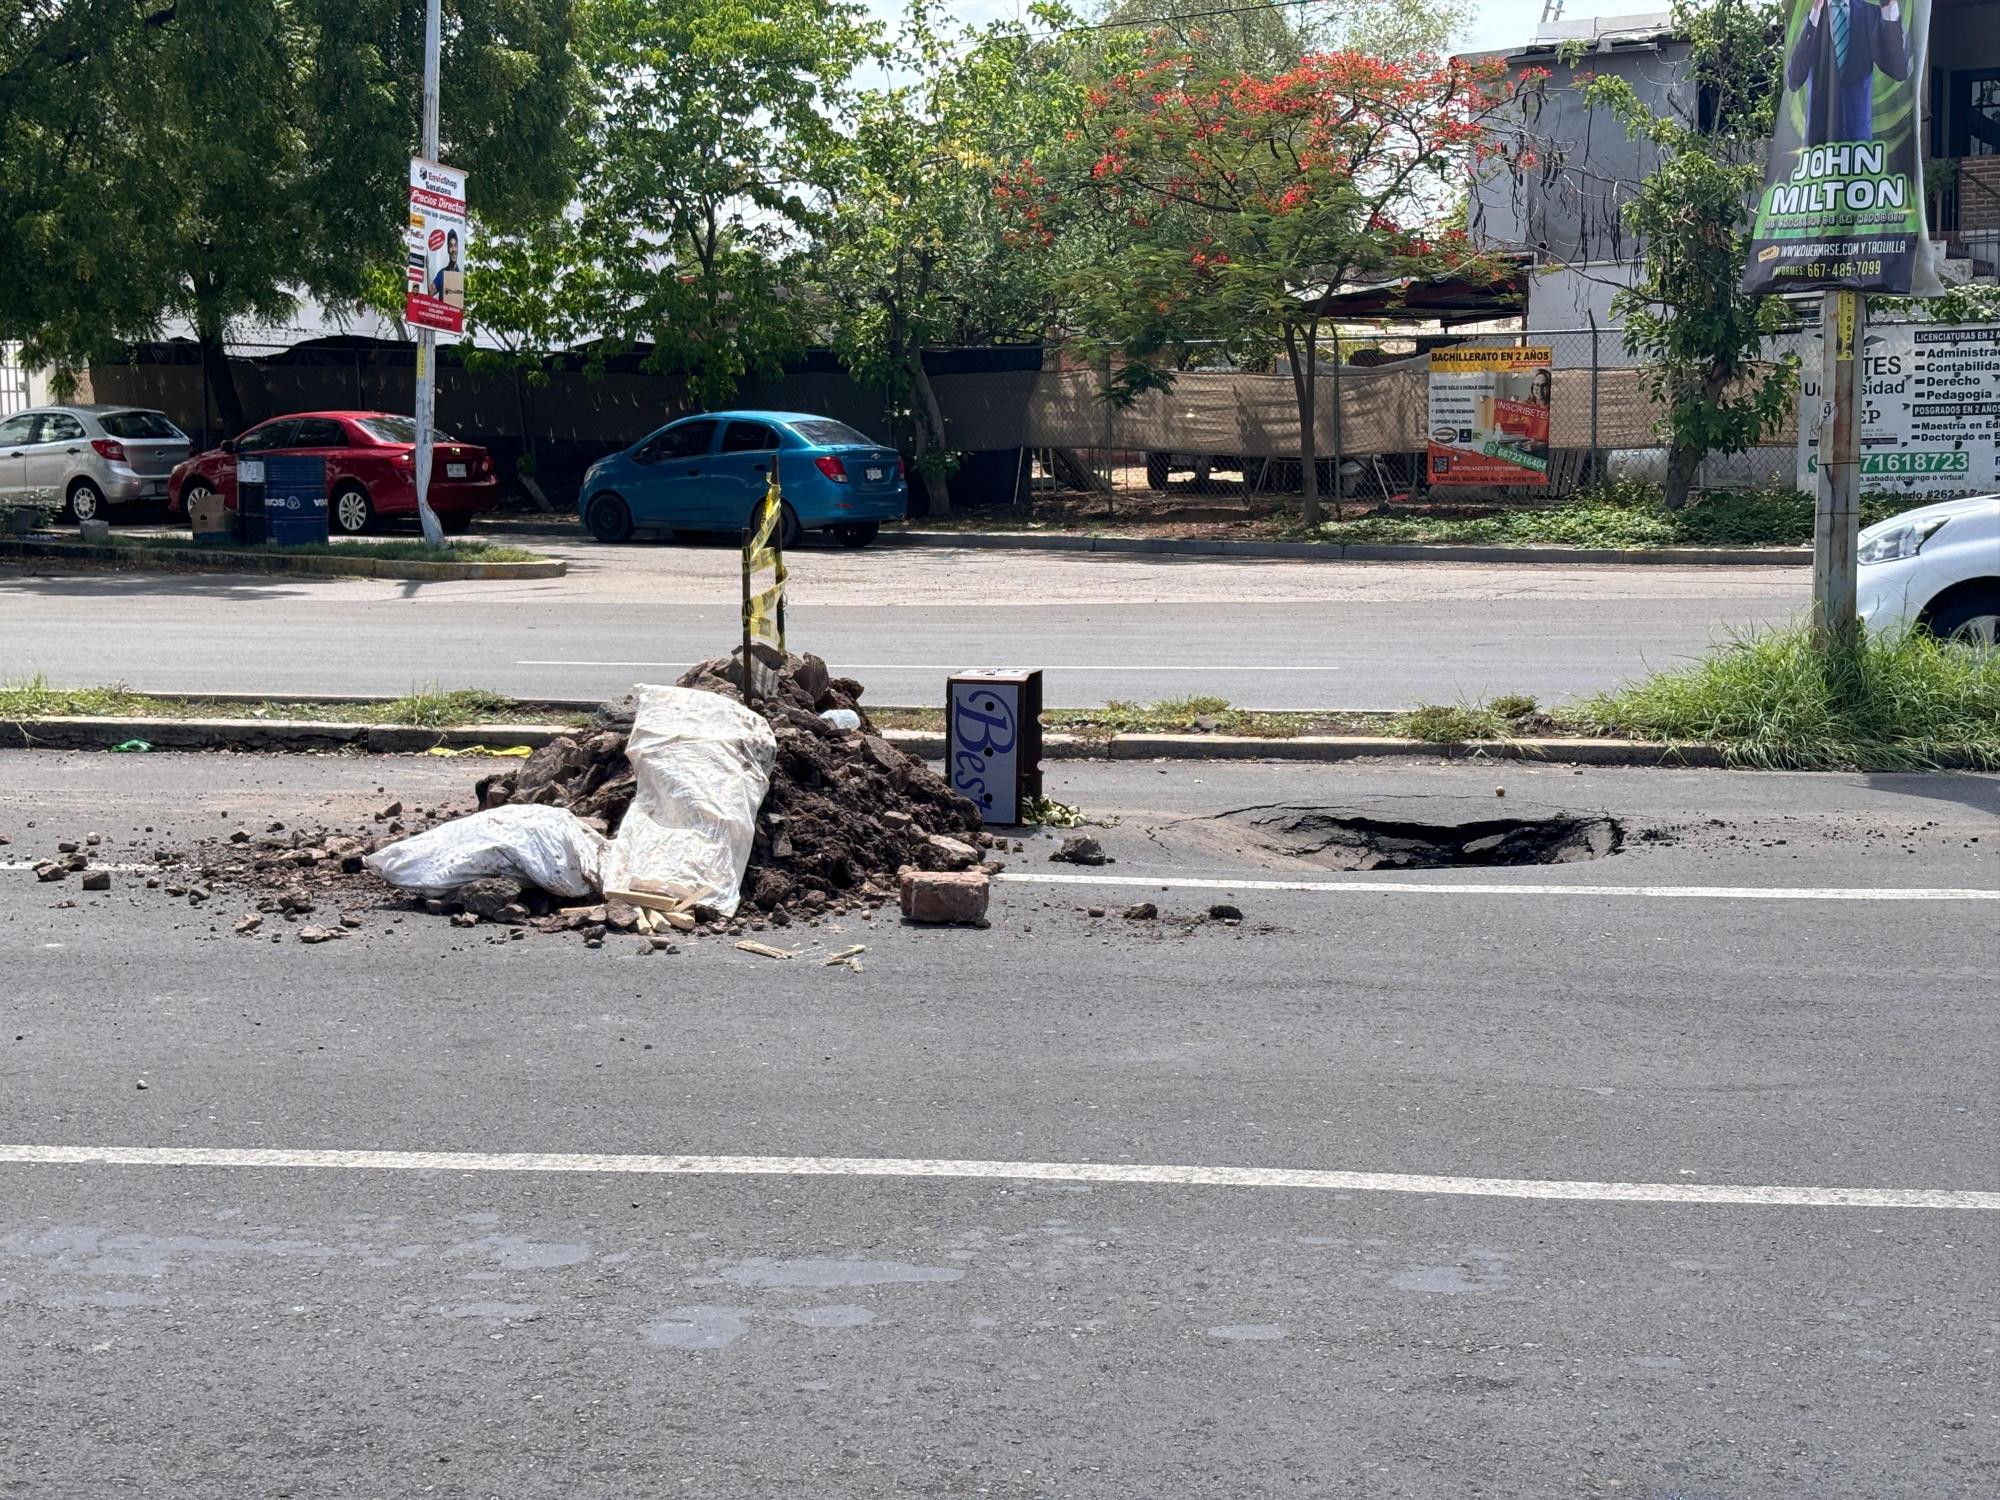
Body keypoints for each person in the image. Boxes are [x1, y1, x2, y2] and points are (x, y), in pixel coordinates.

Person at [1786, 0, 1908, 147]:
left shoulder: (1869, 13)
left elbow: (1898, 70)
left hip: (1859, 146)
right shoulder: (1812, 18)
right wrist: (1815, 13)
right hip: (1819, 146)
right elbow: (1794, 80)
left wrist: (1889, 8)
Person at [431, 229, 464, 310]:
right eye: (451, 246)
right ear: (447, 249)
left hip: (453, 320)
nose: (453, 250)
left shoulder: (461, 276)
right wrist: (427, 267)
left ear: (458, 248)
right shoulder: (442, 273)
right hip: (441, 318)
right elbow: (431, 292)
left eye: (455, 246)